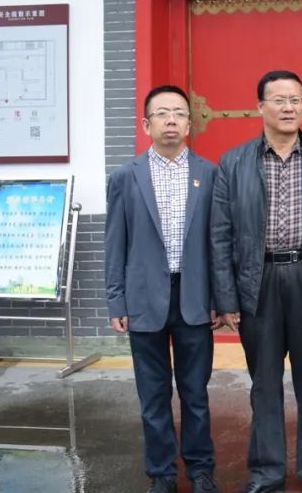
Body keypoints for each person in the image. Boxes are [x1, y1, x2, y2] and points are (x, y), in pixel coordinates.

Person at [210, 70, 302, 493]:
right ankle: (266, 471)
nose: (289, 107)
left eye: (296, 99)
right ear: (260, 107)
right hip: (258, 283)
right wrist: (226, 297)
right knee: (264, 384)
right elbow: (220, 234)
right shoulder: (234, 162)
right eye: (279, 100)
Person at [105, 85, 220, 493]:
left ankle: (201, 469)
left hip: (194, 298)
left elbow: (217, 242)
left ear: (189, 124)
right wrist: (116, 300)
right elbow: (115, 243)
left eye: (179, 113)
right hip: (143, 300)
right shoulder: (125, 176)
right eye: (162, 113)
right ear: (146, 124)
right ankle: (161, 473)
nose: (171, 120)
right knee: (152, 396)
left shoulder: (209, 174)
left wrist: (220, 298)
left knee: (195, 393)